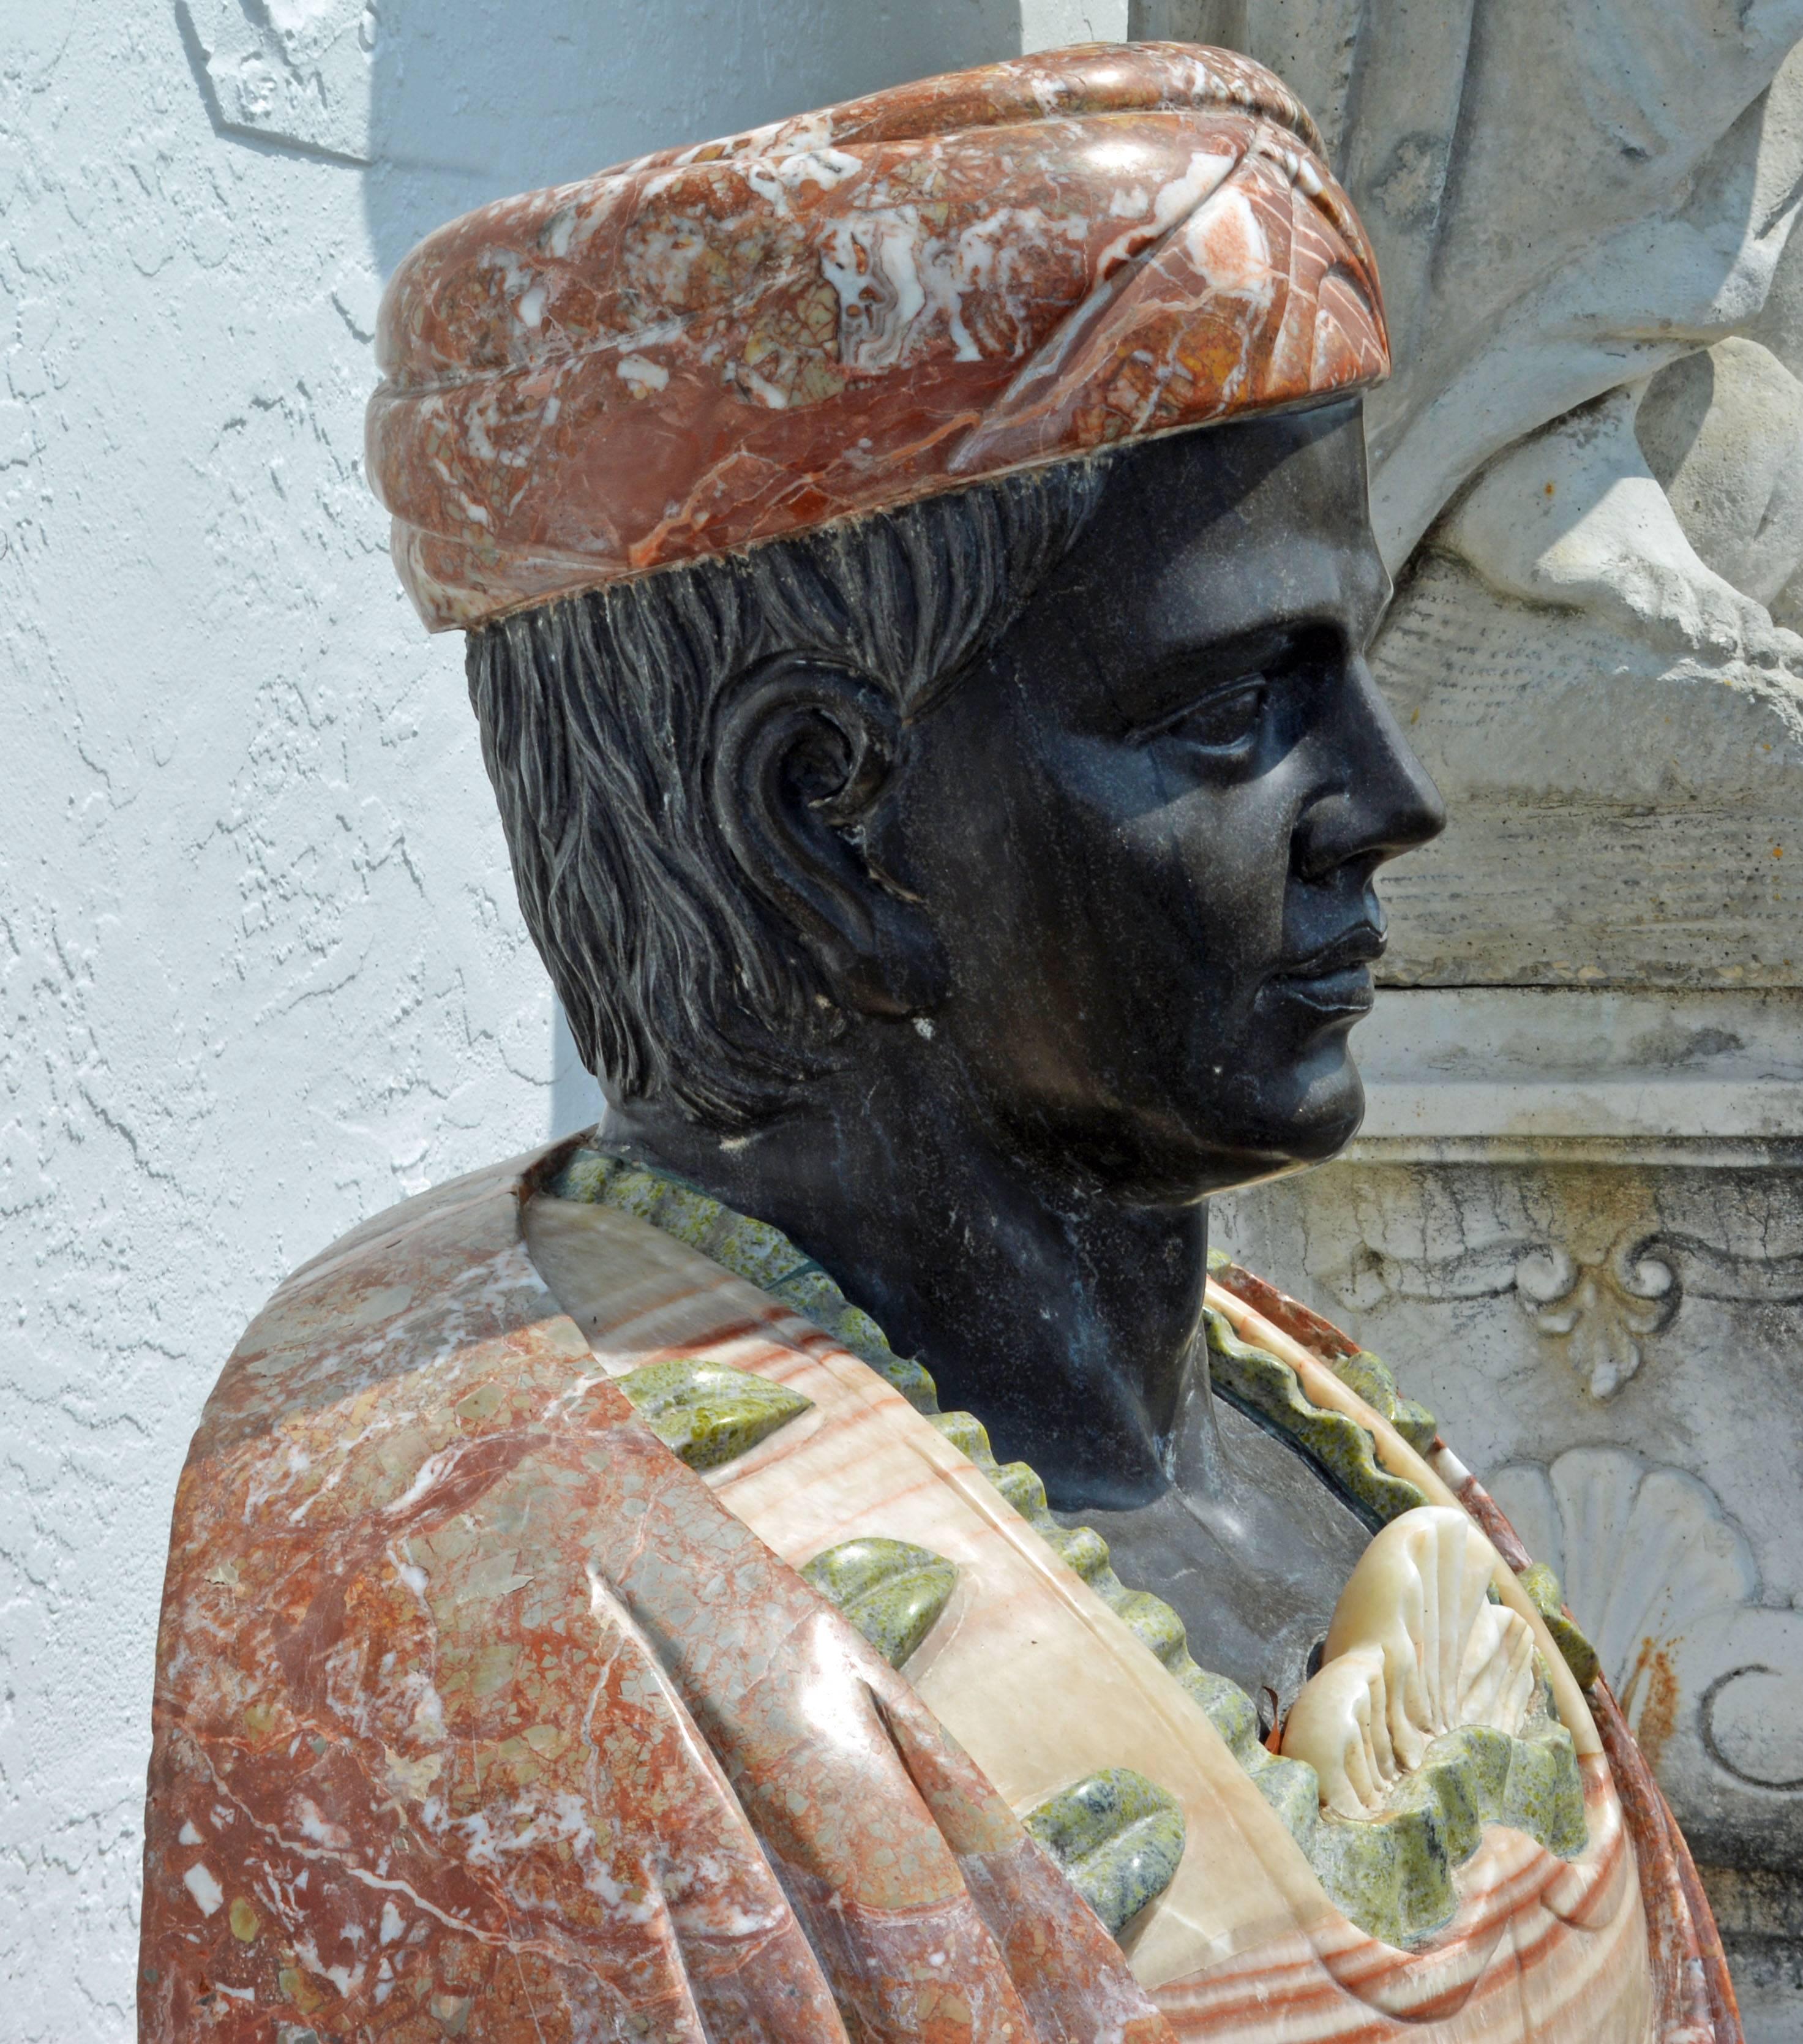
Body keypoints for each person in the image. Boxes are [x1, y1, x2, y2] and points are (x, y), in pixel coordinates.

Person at [138, 42, 1737, 2043]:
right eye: (1234, 709)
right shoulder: (474, 1577)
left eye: (1360, 669)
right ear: (824, 819)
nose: (1389, 796)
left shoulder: (1320, 1438)